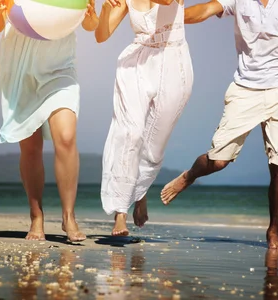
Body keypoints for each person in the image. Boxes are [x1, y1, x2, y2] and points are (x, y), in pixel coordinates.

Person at [161, 0, 278, 249]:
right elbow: (205, 10)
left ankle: (273, 232)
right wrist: (170, 18)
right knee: (218, 161)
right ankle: (190, 175)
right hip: (244, 89)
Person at [0, 0, 100, 242]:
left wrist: (90, 14)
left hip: (59, 66)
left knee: (67, 137)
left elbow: (91, 24)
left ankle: (68, 216)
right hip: (20, 67)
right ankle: (36, 216)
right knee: (30, 146)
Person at [96, 0, 194, 236]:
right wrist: (107, 9)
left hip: (174, 62)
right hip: (137, 65)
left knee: (153, 150)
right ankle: (120, 214)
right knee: (129, 134)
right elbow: (101, 35)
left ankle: (140, 192)